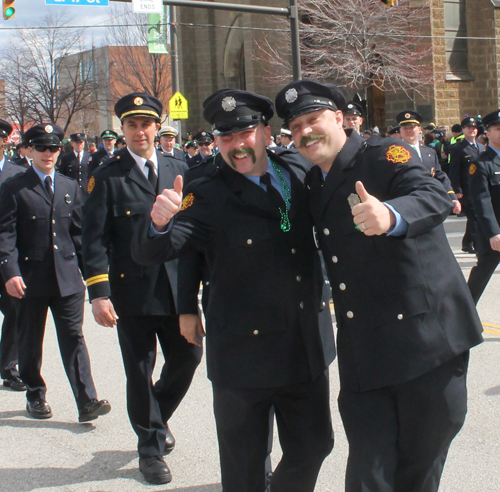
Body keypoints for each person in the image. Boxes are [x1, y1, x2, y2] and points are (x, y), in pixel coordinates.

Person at [275, 80, 483, 492]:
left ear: (339, 118)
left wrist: (391, 215)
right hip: (364, 350)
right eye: (295, 126)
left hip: (425, 341)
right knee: (369, 471)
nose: (304, 132)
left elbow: (432, 195)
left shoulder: (385, 154)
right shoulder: (313, 181)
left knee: (417, 468)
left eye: (312, 120)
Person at [132, 88, 334, 492]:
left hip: (302, 341)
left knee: (314, 445)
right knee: (243, 468)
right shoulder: (203, 187)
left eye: (245, 133)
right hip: (243, 348)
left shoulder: (295, 169)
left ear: (264, 131)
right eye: (225, 137)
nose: (237, 145)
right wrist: (157, 225)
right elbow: (169, 249)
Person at [82, 92, 201, 485]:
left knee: (188, 360)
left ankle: (155, 418)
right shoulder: (107, 175)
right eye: (131, 125)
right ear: (123, 129)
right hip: (130, 293)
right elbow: (94, 239)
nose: (139, 131)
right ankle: (149, 448)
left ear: (157, 127)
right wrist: (98, 294)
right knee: (139, 372)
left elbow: (193, 232)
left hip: (175, 289)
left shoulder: (178, 167)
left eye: (145, 124)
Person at [0, 123, 111, 422]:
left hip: (67, 279)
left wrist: (96, 282)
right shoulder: (13, 187)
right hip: (30, 279)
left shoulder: (68, 186)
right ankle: (35, 394)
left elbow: (79, 235)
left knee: (74, 337)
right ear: (28, 151)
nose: (48, 153)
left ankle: (87, 400)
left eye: (53, 148)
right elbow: (5, 235)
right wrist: (10, 272)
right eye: (41, 148)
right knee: (30, 340)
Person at [0, 119, 28, 391]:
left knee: (15, 311)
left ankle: (9, 368)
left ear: (5, 142)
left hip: (8, 253)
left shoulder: (16, 174)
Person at [396, 110, 461, 214]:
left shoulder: (429, 152)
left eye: (412, 127)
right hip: (406, 206)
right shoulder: (394, 154)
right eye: (405, 128)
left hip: (430, 205)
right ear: (400, 131)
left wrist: (451, 196)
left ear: (419, 129)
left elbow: (440, 175)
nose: (408, 131)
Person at [468, 109, 500, 304]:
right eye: (498, 129)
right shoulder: (481, 164)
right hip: (494, 234)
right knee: (480, 278)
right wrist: (493, 233)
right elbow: (481, 201)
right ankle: (462, 318)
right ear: (487, 133)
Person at [449, 117, 485, 253]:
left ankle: (466, 242)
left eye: (474, 128)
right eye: (469, 128)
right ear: (463, 130)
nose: (472, 130)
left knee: (474, 217)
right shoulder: (458, 148)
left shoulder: (481, 147)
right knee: (475, 216)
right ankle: (478, 245)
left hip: (481, 187)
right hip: (467, 189)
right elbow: (454, 171)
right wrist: (457, 189)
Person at [58, 133, 91, 200]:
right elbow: (62, 176)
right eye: (76, 142)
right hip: (71, 193)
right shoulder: (65, 158)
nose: (79, 145)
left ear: (84, 143)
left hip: (87, 193)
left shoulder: (90, 157)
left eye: (81, 142)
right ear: (72, 143)